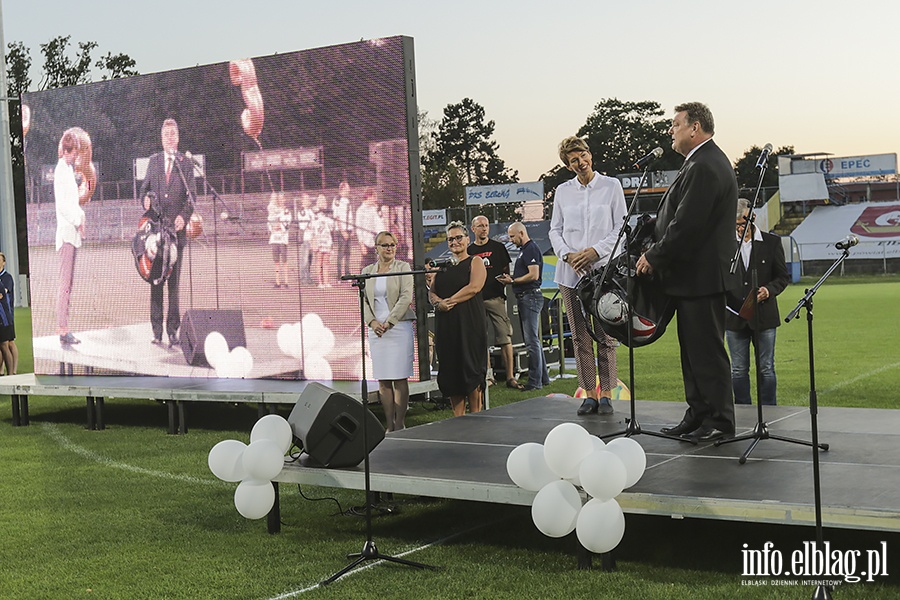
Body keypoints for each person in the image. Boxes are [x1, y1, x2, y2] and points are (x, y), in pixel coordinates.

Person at [635, 102, 740, 442]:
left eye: (675, 124)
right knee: (693, 352)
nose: (671, 130)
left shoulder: (706, 165)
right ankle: (698, 413)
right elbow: (680, 216)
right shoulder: (699, 162)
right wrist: (653, 225)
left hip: (702, 278)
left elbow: (688, 225)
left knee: (707, 352)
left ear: (695, 128)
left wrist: (654, 255)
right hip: (691, 279)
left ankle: (720, 420)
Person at [549, 136, 626, 416]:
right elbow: (554, 230)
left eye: (582, 156)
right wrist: (568, 255)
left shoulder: (611, 186)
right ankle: (589, 394)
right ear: (568, 165)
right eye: (573, 160)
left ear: (590, 155)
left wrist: (595, 252)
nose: (580, 163)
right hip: (570, 274)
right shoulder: (563, 192)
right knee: (580, 337)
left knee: (606, 335)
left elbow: (621, 227)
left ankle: (607, 393)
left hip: (604, 272)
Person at [725, 198, 789, 406]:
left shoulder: (772, 243)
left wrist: (769, 290)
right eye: (735, 225)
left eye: (743, 224)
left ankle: (769, 409)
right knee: (738, 369)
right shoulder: (725, 246)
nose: (740, 229)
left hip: (764, 316)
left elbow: (782, 277)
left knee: (766, 368)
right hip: (734, 318)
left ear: (752, 218)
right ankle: (743, 410)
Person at [139, 118, 195, 348]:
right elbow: (144, 190)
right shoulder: (153, 161)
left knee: (174, 285)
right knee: (155, 282)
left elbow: (191, 198)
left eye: (173, 134)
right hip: (155, 234)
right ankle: (156, 331)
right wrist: (145, 199)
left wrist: (184, 216)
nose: (169, 138)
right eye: (166, 135)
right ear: (161, 139)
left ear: (178, 137)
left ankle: (173, 332)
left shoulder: (186, 164)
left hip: (176, 235)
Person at [429, 221, 487, 417]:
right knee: (451, 369)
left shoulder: (475, 262)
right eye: (450, 239)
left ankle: (476, 416)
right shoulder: (442, 266)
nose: (454, 242)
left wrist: (449, 301)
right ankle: (458, 419)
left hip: (469, 325)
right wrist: (438, 303)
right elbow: (432, 292)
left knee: (470, 368)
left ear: (467, 239)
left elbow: (474, 287)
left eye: (458, 237)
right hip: (447, 327)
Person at [362, 231, 415, 432]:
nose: (389, 248)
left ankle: (400, 422)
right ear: (376, 248)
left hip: (398, 327)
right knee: (384, 378)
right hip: (376, 330)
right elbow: (364, 301)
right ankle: (389, 424)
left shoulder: (403, 267)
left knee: (400, 377)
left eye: (392, 245)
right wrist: (373, 322)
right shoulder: (367, 271)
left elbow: (405, 296)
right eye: (385, 245)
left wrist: (390, 322)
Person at [468, 215, 523, 390]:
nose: (484, 228)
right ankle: (488, 376)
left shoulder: (499, 248)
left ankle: (510, 377)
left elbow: (506, 270)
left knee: (505, 337)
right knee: (480, 338)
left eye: (486, 225)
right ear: (473, 229)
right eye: (480, 226)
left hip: (496, 298)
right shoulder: (469, 251)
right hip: (475, 299)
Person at [498, 222, 550, 391]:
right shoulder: (525, 250)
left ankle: (535, 382)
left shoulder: (530, 249)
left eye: (513, 236)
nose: (511, 240)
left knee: (531, 342)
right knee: (534, 340)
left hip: (530, 296)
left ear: (521, 233)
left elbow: (533, 275)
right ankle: (543, 378)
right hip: (527, 296)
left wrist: (512, 280)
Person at [54, 128, 89, 347]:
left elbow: (74, 203)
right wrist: (78, 221)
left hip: (72, 234)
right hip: (66, 234)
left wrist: (81, 219)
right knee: (64, 285)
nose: (76, 156)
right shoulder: (60, 171)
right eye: (74, 152)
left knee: (69, 284)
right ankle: (62, 329)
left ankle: (65, 328)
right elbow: (64, 207)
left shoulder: (67, 170)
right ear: (67, 150)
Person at [355, 189, 385, 271]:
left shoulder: (373, 209)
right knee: (366, 264)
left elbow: (378, 224)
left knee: (375, 264)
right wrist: (362, 245)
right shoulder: (360, 211)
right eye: (374, 197)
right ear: (369, 197)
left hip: (374, 242)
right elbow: (358, 229)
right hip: (365, 242)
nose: (375, 200)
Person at [267, 192, 292, 288]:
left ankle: (286, 281)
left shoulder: (286, 211)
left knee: (284, 261)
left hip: (282, 238)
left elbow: (287, 222)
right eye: (279, 198)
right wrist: (273, 227)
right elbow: (269, 222)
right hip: (274, 239)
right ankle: (277, 282)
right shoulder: (273, 210)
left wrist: (280, 226)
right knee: (276, 261)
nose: (280, 200)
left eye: (282, 198)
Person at [310, 194, 334, 288]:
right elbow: (312, 229)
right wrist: (313, 242)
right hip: (318, 239)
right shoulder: (315, 214)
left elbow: (331, 228)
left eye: (324, 201)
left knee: (326, 262)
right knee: (319, 261)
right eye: (320, 201)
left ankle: (326, 281)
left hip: (327, 239)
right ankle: (320, 282)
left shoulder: (328, 214)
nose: (322, 203)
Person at [0, 252, 18, 375]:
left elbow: (3, 294)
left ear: (4, 262)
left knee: (7, 344)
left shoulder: (7, 278)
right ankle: (2, 371)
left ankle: (12, 372)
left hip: (6, 316)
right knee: (2, 345)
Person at [332, 181, 353, 277]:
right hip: (341, 230)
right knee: (341, 252)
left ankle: (347, 272)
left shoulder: (348, 200)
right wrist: (342, 230)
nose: (349, 190)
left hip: (348, 229)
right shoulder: (337, 200)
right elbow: (337, 217)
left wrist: (352, 229)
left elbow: (350, 216)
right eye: (347, 188)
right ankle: (339, 275)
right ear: (342, 188)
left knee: (348, 253)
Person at [295, 193, 315, 284]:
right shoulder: (302, 212)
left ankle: (308, 276)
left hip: (312, 237)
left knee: (310, 259)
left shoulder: (310, 211)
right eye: (306, 199)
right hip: (306, 238)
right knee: (304, 259)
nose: (309, 200)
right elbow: (303, 226)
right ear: (303, 201)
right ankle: (303, 277)